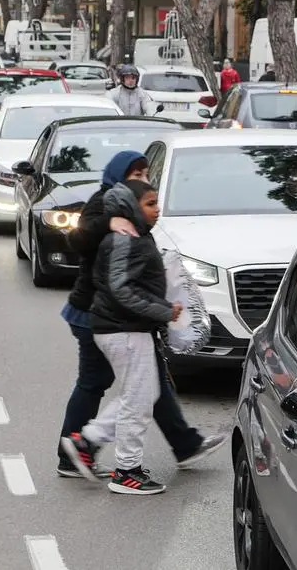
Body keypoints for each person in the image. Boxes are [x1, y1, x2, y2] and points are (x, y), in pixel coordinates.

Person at [56, 150, 224, 479]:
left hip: (117, 314)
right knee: (109, 385)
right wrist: (108, 222)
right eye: (135, 173)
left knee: (145, 386)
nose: (143, 179)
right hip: (102, 313)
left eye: (145, 172)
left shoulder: (135, 209)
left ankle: (180, 443)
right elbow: (79, 238)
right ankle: (87, 451)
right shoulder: (108, 202)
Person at [62, 180, 178, 495]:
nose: (157, 210)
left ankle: (87, 440)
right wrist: (164, 311)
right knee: (138, 399)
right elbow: (120, 289)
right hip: (124, 329)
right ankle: (127, 472)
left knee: (144, 394)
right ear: (130, 206)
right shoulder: (126, 239)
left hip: (126, 327)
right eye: (150, 203)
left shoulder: (136, 236)